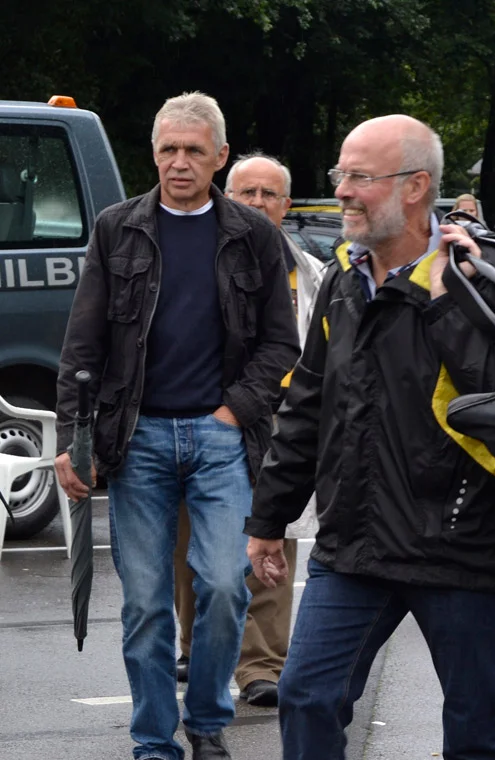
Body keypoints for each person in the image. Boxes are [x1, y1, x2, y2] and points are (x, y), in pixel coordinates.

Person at [226, 113, 495, 760]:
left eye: (360, 176)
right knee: (306, 695)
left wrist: (445, 302)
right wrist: (268, 518)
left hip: (463, 544)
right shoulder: (344, 278)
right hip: (357, 542)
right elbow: (308, 402)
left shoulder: (480, 279)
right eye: (342, 174)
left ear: (416, 187)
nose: (344, 191)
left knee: (475, 731)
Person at [55, 93, 299, 760]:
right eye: (169, 149)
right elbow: (83, 344)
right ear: (154, 153)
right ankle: (155, 746)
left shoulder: (253, 235)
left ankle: (209, 723)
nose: (180, 162)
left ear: (220, 156)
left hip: (221, 439)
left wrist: (232, 412)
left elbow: (280, 344)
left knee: (223, 583)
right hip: (138, 441)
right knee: (145, 603)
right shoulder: (117, 229)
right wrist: (75, 439)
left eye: (194, 150)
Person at [174, 152, 325, 708]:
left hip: (280, 418)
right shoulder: (195, 254)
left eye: (269, 194)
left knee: (270, 537)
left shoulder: (311, 272)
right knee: (193, 543)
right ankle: (197, 645)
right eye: (247, 193)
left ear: (287, 206)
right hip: (205, 413)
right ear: (226, 196)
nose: (257, 203)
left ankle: (262, 664)